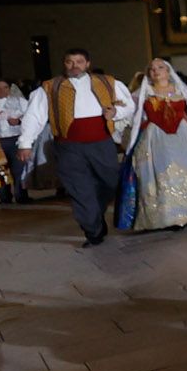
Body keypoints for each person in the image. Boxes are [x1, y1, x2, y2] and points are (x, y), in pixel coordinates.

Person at [17, 48, 134, 247]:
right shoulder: (50, 87)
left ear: (87, 63)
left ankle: (95, 215)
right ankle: (93, 231)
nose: (75, 66)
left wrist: (116, 112)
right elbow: (34, 116)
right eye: (70, 62)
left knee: (109, 183)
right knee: (78, 188)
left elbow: (129, 106)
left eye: (79, 61)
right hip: (68, 147)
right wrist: (25, 143)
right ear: (64, 64)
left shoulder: (108, 82)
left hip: (102, 144)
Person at [117, 58, 187, 232]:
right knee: (161, 174)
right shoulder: (142, 93)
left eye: (160, 67)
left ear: (168, 71)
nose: (156, 71)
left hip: (183, 136)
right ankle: (166, 216)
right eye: (152, 69)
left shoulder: (183, 91)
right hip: (155, 137)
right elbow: (128, 112)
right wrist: (118, 109)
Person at [0, 79, 31, 204]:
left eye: (5, 87)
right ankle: (4, 197)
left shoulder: (19, 101)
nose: (2, 90)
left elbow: (31, 116)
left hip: (15, 139)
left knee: (19, 169)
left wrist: (19, 121)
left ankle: (21, 195)